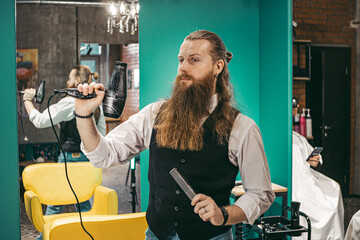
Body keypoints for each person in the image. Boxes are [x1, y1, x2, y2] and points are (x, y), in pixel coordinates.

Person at [75, 30, 275, 240]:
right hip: (156, 235)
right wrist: (83, 114)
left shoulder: (242, 128)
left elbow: (261, 194)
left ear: (218, 66)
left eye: (194, 60)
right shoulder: (154, 114)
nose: (183, 68)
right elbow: (103, 155)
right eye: (181, 60)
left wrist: (224, 214)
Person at [23, 65, 106, 240]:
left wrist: (27, 101)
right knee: (83, 207)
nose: (66, 82)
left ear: (77, 81)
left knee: (54, 206)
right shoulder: (97, 102)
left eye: (69, 79)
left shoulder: (70, 102)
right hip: (88, 163)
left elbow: (40, 120)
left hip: (70, 160)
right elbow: (102, 134)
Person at [292, 97, 344, 240]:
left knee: (334, 188)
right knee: (326, 209)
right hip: (298, 186)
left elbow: (313, 158)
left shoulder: (298, 138)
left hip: (308, 179)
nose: (295, 109)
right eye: (293, 106)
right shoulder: (283, 139)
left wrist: (315, 161)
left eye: (296, 106)